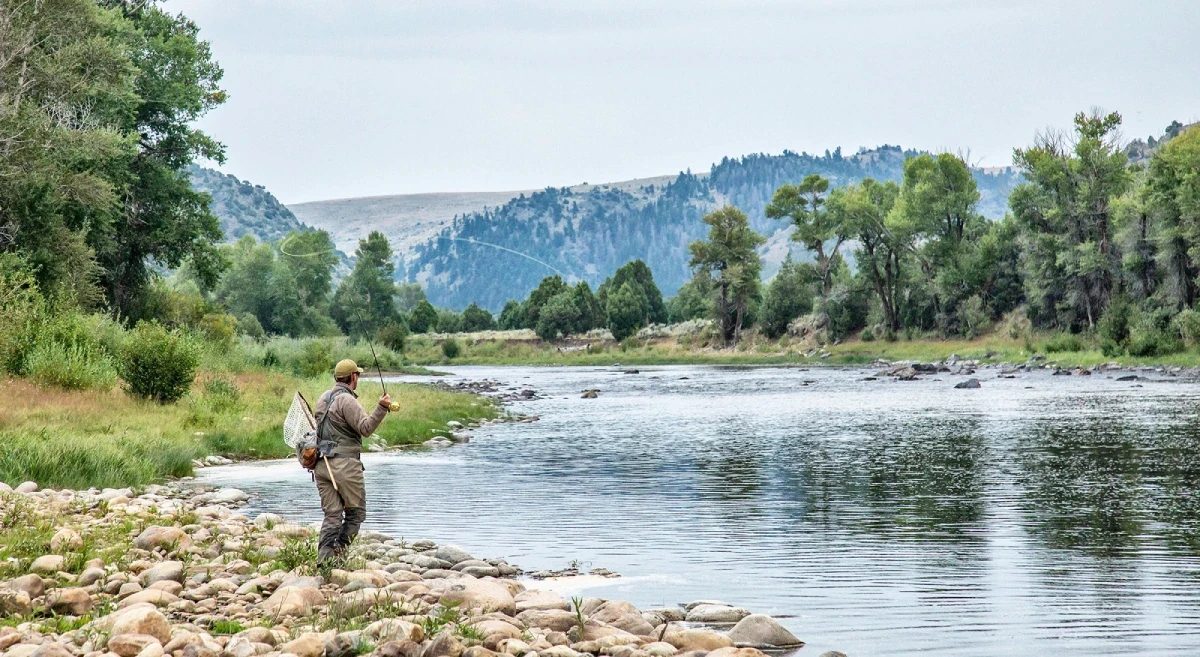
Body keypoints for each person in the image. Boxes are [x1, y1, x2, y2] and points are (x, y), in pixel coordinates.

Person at [312, 359, 391, 563]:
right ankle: (338, 555)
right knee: (356, 514)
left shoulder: (323, 398)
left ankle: (323, 560)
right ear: (353, 377)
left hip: (321, 466)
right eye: (358, 375)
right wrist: (382, 408)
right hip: (345, 466)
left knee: (332, 515)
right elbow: (365, 428)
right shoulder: (347, 400)